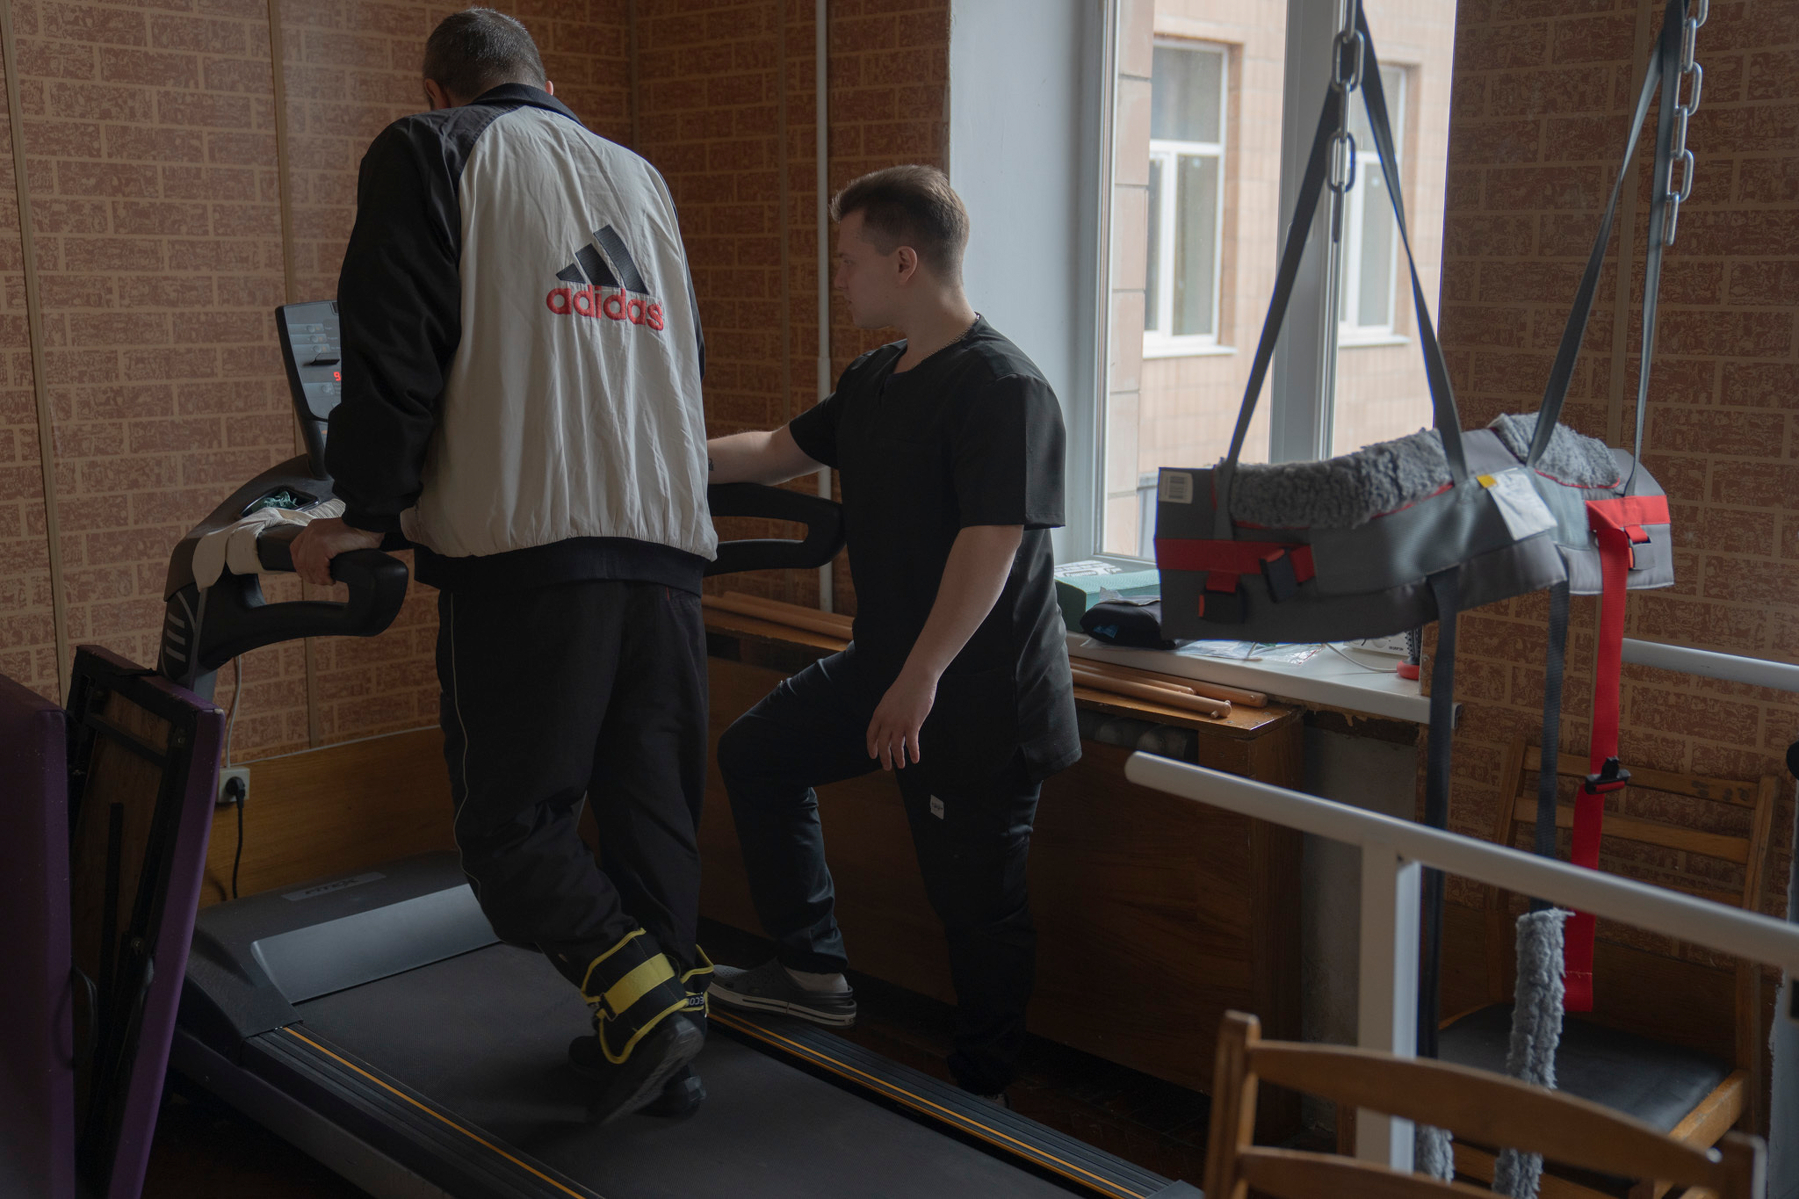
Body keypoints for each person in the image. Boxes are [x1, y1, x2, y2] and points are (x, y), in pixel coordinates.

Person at [290, 8, 715, 1123]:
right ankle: (659, 1038)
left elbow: (388, 341)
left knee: (509, 826)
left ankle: (648, 1009)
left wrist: (366, 511)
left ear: (440, 88)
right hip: (667, 546)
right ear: (542, 76)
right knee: (647, 808)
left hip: (530, 552)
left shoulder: (430, 148)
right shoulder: (641, 176)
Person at [704, 165, 1080, 1103]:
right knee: (754, 755)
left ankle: (981, 1097)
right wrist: (636, 459)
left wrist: (921, 675)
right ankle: (811, 975)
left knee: (974, 909)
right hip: (886, 669)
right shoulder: (875, 377)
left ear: (903, 262)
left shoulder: (1004, 388)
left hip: (976, 697)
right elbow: (773, 450)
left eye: (847, 261)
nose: (839, 279)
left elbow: (990, 544)